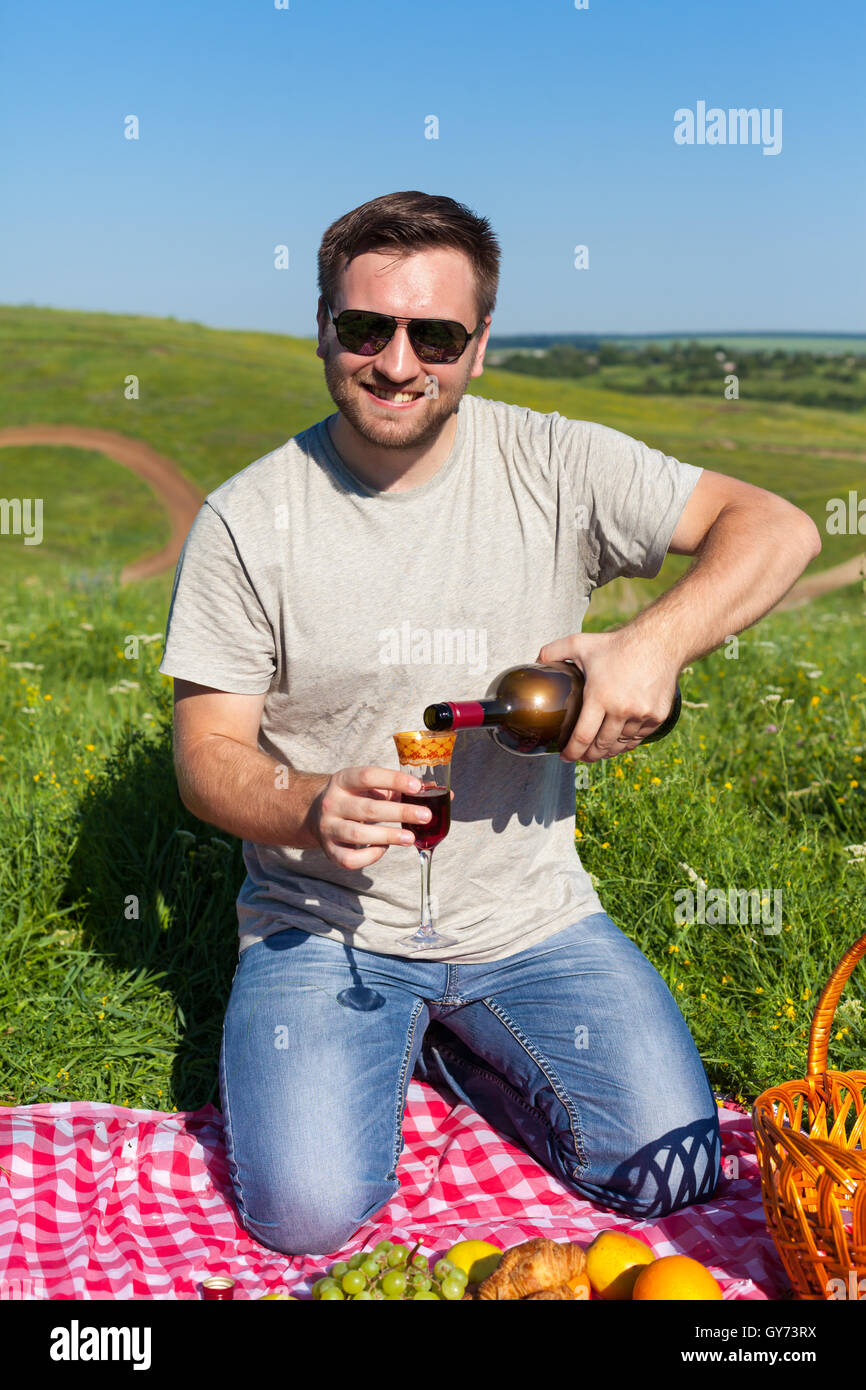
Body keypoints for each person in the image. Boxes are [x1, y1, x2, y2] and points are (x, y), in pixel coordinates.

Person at [158, 190, 821, 1256]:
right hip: (325, 924)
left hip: (529, 918)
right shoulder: (249, 515)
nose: (395, 360)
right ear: (321, 326)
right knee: (306, 1214)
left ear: (478, 345)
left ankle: (453, 1049)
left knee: (670, 1172)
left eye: (434, 334)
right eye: (364, 328)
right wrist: (304, 805)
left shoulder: (553, 463)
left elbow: (775, 528)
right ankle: (408, 1039)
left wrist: (650, 644)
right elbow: (205, 759)